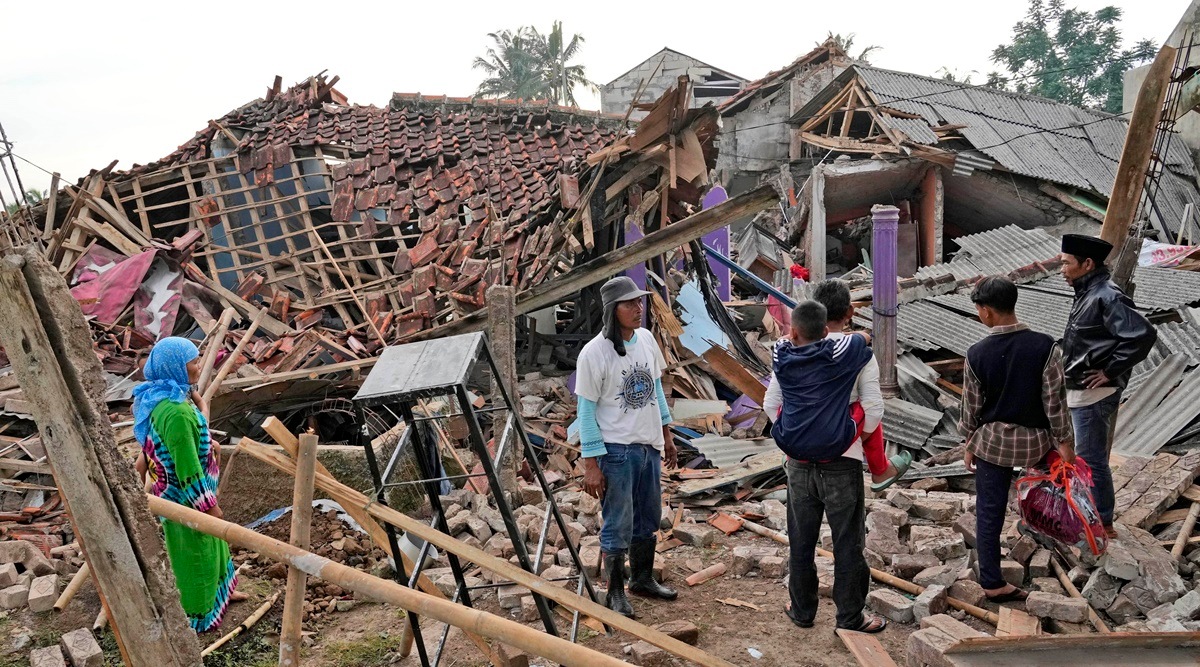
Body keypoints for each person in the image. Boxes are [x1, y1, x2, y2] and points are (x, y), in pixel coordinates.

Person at [769, 300, 886, 633]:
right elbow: (873, 405)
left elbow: (770, 403)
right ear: (827, 330)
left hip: (798, 464)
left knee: (801, 542)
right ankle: (850, 618)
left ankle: (803, 612)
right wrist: (853, 436)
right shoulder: (847, 354)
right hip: (841, 462)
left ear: (793, 331)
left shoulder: (780, 354)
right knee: (848, 544)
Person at [959, 276, 1075, 603]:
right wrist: (1065, 444)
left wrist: (970, 442)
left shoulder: (977, 353)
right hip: (1035, 444)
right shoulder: (1045, 346)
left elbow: (971, 408)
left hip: (993, 443)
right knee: (1049, 495)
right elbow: (1055, 402)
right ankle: (1058, 540)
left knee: (989, 511)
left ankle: (993, 583)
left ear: (987, 313)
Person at [576, 276, 678, 618]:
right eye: (629, 304)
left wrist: (667, 434)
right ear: (611, 310)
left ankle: (643, 578)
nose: (638, 308)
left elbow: (657, 391)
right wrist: (591, 464)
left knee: (648, 517)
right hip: (616, 451)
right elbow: (586, 411)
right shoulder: (593, 353)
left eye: (640, 302)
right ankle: (615, 592)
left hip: (648, 445)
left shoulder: (647, 339)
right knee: (617, 521)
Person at [133, 337, 247, 632]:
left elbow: (162, 446)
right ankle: (199, 615)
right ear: (175, 368)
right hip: (185, 498)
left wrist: (208, 436)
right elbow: (188, 471)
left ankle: (223, 594)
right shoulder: (177, 413)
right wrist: (209, 507)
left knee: (216, 546)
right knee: (197, 554)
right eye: (193, 363)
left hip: (177, 491)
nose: (198, 367)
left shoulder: (162, 397)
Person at [765, 279, 911, 492]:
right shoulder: (855, 352)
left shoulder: (786, 354)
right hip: (839, 445)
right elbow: (873, 409)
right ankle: (880, 470)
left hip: (794, 447)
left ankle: (791, 456)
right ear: (850, 311)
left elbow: (770, 404)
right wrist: (851, 441)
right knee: (867, 407)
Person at [1060, 234, 1157, 538]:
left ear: (1086, 264)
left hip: (1095, 392)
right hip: (1080, 389)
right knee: (1082, 458)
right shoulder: (1086, 293)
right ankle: (1087, 515)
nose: (1061, 269)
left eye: (1066, 263)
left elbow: (1142, 334)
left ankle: (1103, 523)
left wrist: (1110, 370)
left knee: (1092, 460)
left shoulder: (1107, 296)